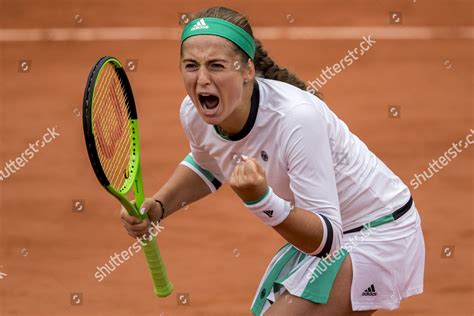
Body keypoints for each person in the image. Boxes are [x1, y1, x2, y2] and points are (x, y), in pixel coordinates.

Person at [120, 6, 425, 315]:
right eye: (190, 65)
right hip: (330, 233)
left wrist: (261, 200)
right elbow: (207, 165)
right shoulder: (193, 113)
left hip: (380, 231)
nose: (201, 80)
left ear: (247, 70)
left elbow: (327, 239)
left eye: (216, 66)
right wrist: (159, 206)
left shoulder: (296, 119)